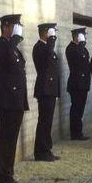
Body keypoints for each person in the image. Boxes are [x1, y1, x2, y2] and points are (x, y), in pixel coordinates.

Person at [0, 14, 28, 183]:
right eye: (15, 25)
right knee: (4, 139)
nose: (17, 28)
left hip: (16, 101)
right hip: (7, 101)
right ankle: (2, 177)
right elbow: (5, 64)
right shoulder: (1, 47)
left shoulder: (12, 47)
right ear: (6, 27)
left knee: (11, 139)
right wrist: (13, 42)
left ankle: (8, 174)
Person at [33, 23, 60, 161]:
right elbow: (45, 61)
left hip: (50, 89)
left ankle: (46, 149)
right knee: (44, 121)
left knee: (47, 122)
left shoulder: (47, 47)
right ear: (45, 32)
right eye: (52, 31)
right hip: (44, 89)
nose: (54, 34)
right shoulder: (40, 47)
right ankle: (41, 152)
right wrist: (51, 40)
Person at [66, 27, 91, 141]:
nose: (85, 37)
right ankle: (75, 133)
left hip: (84, 83)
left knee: (80, 109)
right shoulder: (71, 48)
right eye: (83, 35)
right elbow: (78, 59)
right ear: (77, 36)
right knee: (76, 108)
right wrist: (81, 44)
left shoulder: (82, 48)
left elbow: (86, 62)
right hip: (76, 84)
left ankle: (78, 131)